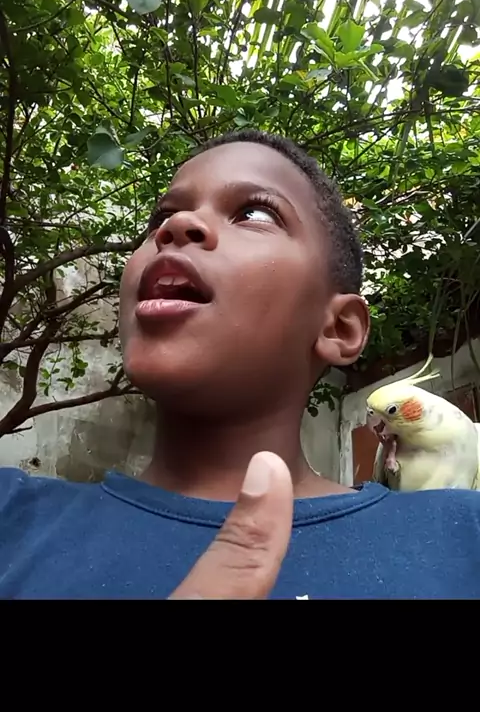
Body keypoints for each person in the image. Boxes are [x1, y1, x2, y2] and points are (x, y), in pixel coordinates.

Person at [1, 129, 480, 599]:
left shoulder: (463, 538)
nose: (176, 226)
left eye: (254, 213)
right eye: (162, 216)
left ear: (339, 328)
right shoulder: (11, 516)